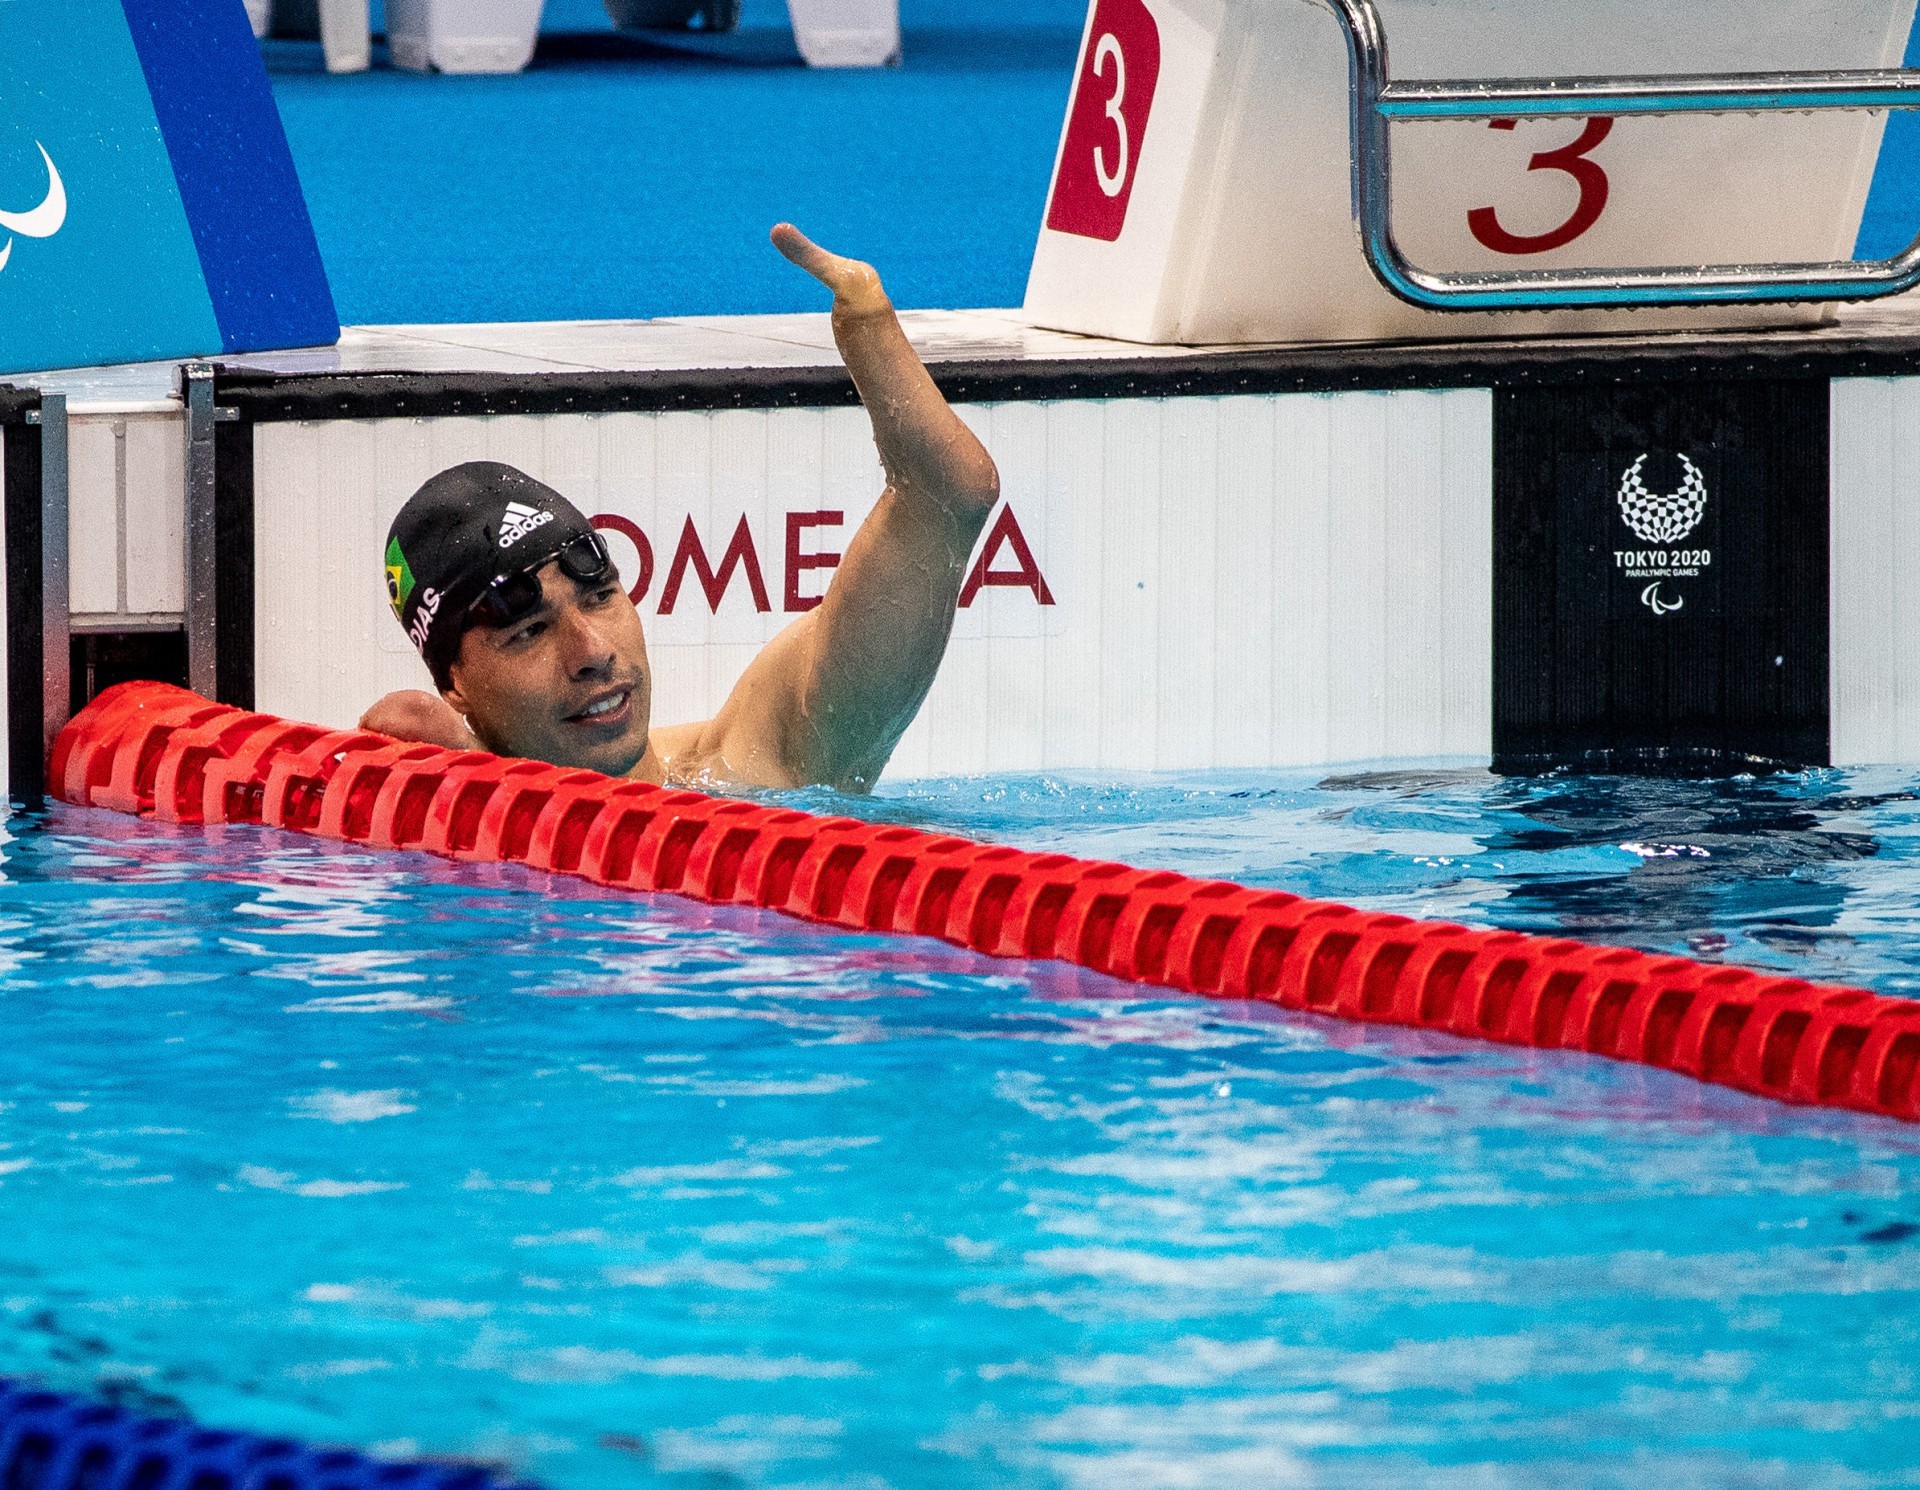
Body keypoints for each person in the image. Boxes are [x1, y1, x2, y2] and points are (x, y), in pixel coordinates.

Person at [362, 224, 1000, 792]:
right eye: (529, 632)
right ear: (457, 687)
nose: (591, 652)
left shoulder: (766, 766)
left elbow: (946, 498)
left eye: (599, 597)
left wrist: (870, 330)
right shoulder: (431, 795)